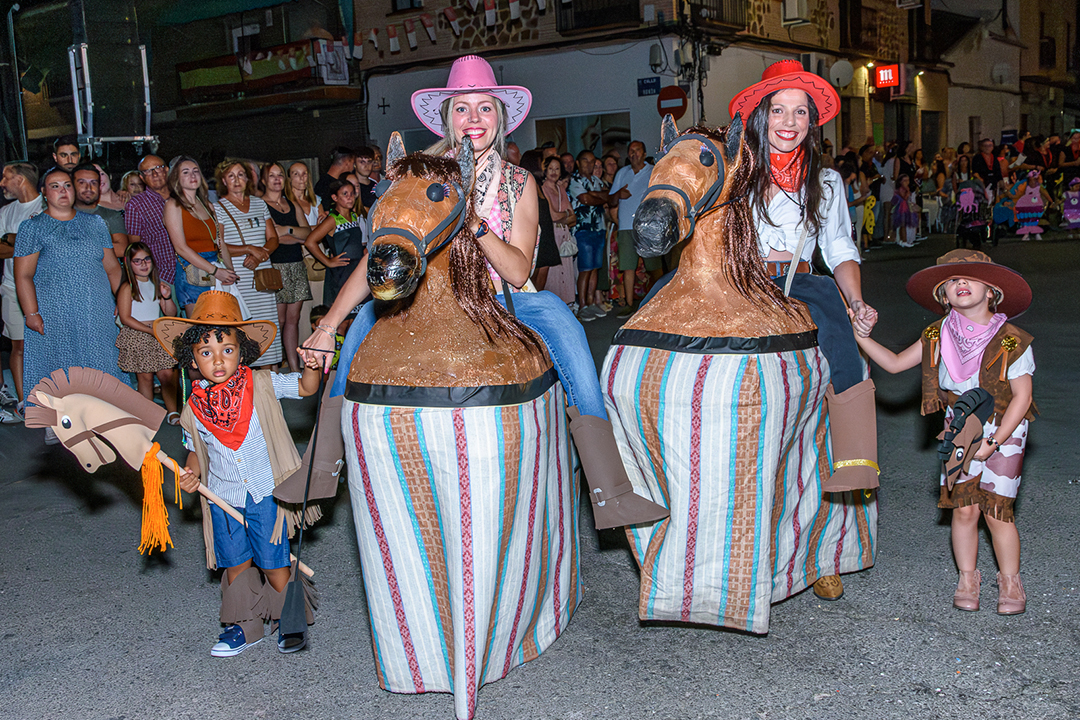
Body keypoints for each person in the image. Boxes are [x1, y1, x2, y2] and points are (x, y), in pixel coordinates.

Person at [303, 53, 665, 528]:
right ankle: (320, 463)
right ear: (447, 117)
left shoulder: (520, 182)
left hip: (502, 298)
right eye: (461, 108)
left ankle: (608, 483)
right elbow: (382, 255)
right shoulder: (420, 174)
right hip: (427, 298)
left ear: (502, 116)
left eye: (485, 108)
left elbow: (517, 270)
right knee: (363, 324)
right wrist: (327, 325)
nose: (473, 119)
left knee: (562, 320)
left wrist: (472, 223)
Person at [726, 58, 879, 600]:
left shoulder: (828, 180)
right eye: (778, 109)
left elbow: (839, 247)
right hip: (740, 278)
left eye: (799, 111)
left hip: (801, 281)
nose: (788, 120)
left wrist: (856, 301)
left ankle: (855, 460)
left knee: (845, 353)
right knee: (656, 311)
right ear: (761, 116)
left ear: (812, 122)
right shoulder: (735, 169)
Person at [853, 250, 1034, 615]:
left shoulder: (1011, 339)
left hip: (1004, 428)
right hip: (959, 428)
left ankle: (1010, 579)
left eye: (970, 277)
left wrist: (994, 442)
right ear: (943, 295)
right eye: (951, 280)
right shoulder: (936, 334)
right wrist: (861, 336)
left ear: (992, 291)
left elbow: (1023, 397)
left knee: (996, 511)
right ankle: (968, 576)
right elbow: (892, 363)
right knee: (964, 509)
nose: (960, 283)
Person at [153, 290, 323, 656]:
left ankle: (286, 618)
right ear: (191, 358)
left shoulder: (262, 383)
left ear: (242, 351)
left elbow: (308, 388)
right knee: (236, 565)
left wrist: (311, 364)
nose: (218, 360)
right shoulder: (193, 408)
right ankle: (244, 627)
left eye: (227, 349)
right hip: (222, 497)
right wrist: (191, 473)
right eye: (206, 352)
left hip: (265, 493)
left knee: (274, 562)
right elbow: (195, 451)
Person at [14, 167, 127, 443]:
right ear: (44, 192)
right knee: (57, 364)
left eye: (67, 185)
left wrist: (122, 300)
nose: (63, 191)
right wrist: (31, 313)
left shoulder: (95, 224)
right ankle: (57, 424)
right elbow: (24, 275)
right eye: (55, 186)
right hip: (54, 311)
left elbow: (112, 268)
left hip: (96, 307)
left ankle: (105, 420)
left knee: (101, 361)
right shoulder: (32, 227)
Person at [214, 160, 282, 367]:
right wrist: (248, 249)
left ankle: (270, 385)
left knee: (267, 326)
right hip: (239, 275)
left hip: (262, 273)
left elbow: (273, 238)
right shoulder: (218, 207)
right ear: (224, 180)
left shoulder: (260, 203)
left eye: (241, 174)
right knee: (244, 327)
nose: (237, 180)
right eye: (231, 176)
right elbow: (220, 244)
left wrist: (260, 255)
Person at [163, 157, 238, 315]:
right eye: (186, 172)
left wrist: (230, 271)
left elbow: (220, 242)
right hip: (193, 271)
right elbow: (181, 248)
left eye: (196, 171)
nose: (192, 175)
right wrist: (215, 271)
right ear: (176, 178)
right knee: (200, 331)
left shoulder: (208, 205)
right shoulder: (173, 205)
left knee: (222, 328)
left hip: (215, 267)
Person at [115, 242, 179, 423]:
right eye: (137, 261)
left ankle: (173, 411)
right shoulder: (128, 287)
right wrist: (149, 331)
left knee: (167, 373)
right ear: (129, 264)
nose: (143, 264)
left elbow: (170, 313)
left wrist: (166, 297)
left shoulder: (157, 285)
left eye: (146, 259)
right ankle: (147, 414)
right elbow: (126, 317)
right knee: (145, 376)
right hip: (138, 334)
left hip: (155, 332)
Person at [0, 162, 42, 424]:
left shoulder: (45, 207)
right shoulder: (6, 211)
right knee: (20, 346)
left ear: (20, 179)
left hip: (44, 288)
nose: (2, 183)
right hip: (10, 287)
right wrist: (20, 240)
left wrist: (13, 239)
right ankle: (25, 402)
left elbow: (43, 243)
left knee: (46, 344)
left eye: (5, 178)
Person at [262, 161, 312, 372]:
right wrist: (291, 235)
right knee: (278, 321)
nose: (276, 179)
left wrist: (286, 230)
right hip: (276, 267)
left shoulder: (292, 204)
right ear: (264, 180)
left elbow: (308, 234)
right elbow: (270, 238)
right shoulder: (260, 204)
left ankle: (294, 368)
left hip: (296, 265)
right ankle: (273, 368)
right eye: (272, 175)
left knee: (293, 319)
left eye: (280, 175)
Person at [609, 140, 657, 315]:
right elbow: (611, 199)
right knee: (628, 266)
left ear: (644, 154)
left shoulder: (652, 171)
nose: (633, 154)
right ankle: (629, 304)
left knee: (654, 266)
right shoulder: (622, 173)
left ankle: (658, 301)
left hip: (648, 226)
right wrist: (618, 194)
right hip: (626, 226)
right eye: (630, 151)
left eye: (637, 150)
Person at [302, 179, 363, 307]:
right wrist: (328, 261)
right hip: (341, 273)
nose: (350, 198)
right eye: (345, 194)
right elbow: (310, 241)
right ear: (335, 197)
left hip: (356, 271)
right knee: (343, 316)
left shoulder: (353, 216)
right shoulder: (332, 219)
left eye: (352, 194)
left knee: (356, 314)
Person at [568, 149, 609, 321]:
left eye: (592, 161)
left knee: (594, 268)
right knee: (584, 268)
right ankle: (583, 305)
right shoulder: (574, 179)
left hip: (598, 228)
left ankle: (591, 303)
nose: (589, 164)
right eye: (585, 160)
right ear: (578, 162)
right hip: (583, 229)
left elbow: (608, 195)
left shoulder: (597, 180)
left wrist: (597, 196)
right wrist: (600, 198)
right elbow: (585, 199)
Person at [125, 155, 177, 284]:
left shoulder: (182, 197)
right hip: (163, 275)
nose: (154, 174)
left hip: (191, 271)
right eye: (148, 171)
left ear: (166, 170)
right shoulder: (136, 205)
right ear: (142, 178)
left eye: (158, 168)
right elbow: (134, 247)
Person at [520, 150, 561, 291]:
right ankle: (531, 310)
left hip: (546, 235)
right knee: (532, 280)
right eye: (543, 162)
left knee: (542, 275)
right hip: (535, 235)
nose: (544, 165)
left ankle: (536, 308)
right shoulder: (526, 183)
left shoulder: (538, 184)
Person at [540, 155, 578, 306]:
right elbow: (553, 216)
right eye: (551, 169)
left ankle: (567, 307)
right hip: (552, 235)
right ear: (545, 170)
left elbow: (573, 217)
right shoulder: (543, 189)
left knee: (566, 273)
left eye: (557, 169)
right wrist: (566, 215)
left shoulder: (560, 188)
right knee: (553, 275)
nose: (554, 172)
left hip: (564, 235)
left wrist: (565, 216)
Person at [73, 163, 128, 258]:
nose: (88, 188)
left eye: (93, 183)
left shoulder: (111, 214)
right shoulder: (61, 215)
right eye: (82, 183)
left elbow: (122, 249)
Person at [893, 174, 919, 247]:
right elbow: (904, 197)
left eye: (907, 180)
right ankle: (903, 240)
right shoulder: (901, 189)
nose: (906, 182)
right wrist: (907, 191)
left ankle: (903, 240)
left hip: (905, 207)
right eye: (904, 181)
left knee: (903, 224)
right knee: (902, 224)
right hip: (902, 208)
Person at [352, 146, 377, 210]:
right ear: (354, 164)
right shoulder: (350, 185)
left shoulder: (375, 185)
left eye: (369, 162)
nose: (366, 166)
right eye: (362, 162)